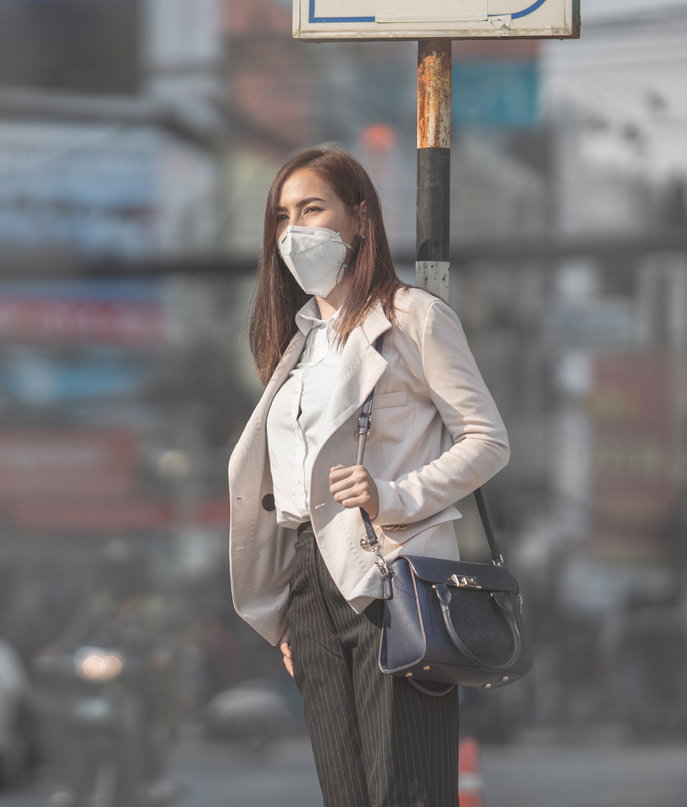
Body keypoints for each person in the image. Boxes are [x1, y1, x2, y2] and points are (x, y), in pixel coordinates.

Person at [228, 147, 509, 807]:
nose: (292, 230)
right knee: (345, 793)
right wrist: (290, 609)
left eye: (311, 208)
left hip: (393, 575)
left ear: (358, 218)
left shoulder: (413, 317)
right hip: (307, 582)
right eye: (281, 215)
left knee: (403, 789)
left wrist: (396, 495)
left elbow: (487, 438)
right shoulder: (297, 342)